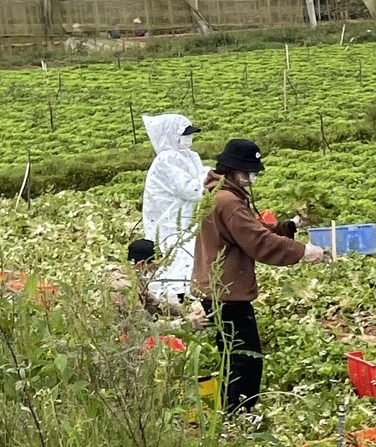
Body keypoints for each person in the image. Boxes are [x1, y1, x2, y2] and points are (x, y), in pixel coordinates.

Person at [191, 138, 329, 421]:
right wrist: (304, 251)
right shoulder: (227, 201)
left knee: (234, 355)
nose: (252, 177)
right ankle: (239, 416)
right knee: (245, 358)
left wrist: (291, 225)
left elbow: (254, 229)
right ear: (234, 170)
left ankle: (232, 414)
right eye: (249, 172)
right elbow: (258, 241)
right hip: (226, 292)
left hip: (218, 289)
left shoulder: (221, 195)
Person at [139, 113, 203, 309]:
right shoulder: (166, 160)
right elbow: (189, 188)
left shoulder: (190, 156)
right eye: (185, 134)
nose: (189, 138)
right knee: (175, 257)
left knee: (190, 254)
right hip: (170, 221)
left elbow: (200, 177)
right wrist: (213, 181)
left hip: (187, 217)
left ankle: (188, 299)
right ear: (171, 135)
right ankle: (173, 302)